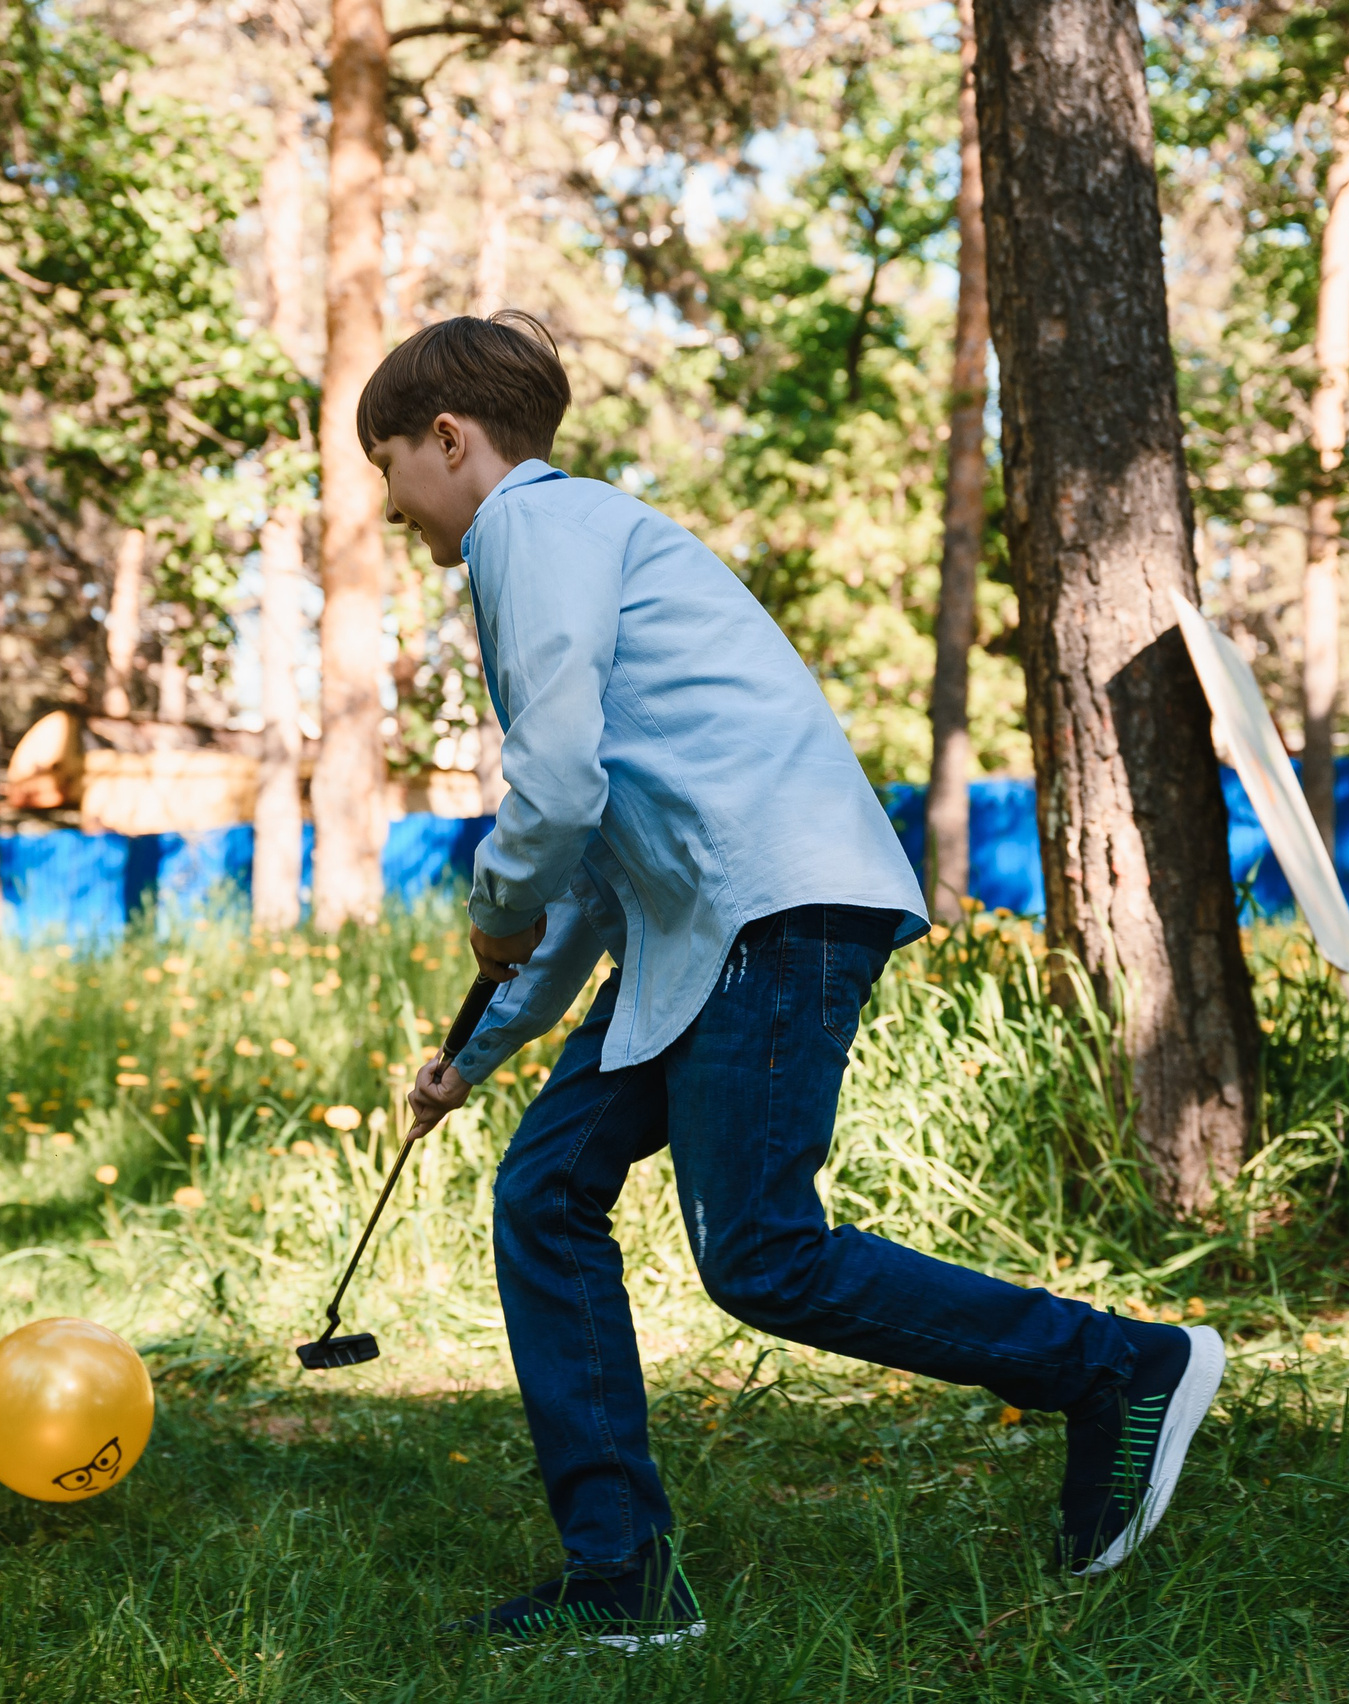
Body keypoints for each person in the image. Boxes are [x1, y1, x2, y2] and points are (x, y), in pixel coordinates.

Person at [370, 312, 1227, 1649]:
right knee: (544, 1192)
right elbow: (595, 868)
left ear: (449, 440)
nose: (389, 510)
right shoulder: (579, 547)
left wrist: (491, 907)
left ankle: (1122, 1368)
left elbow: (548, 791)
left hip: (770, 907)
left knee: (761, 1254)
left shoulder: (527, 533)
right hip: (703, 931)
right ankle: (624, 1574)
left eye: (390, 472)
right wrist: (472, 1056)